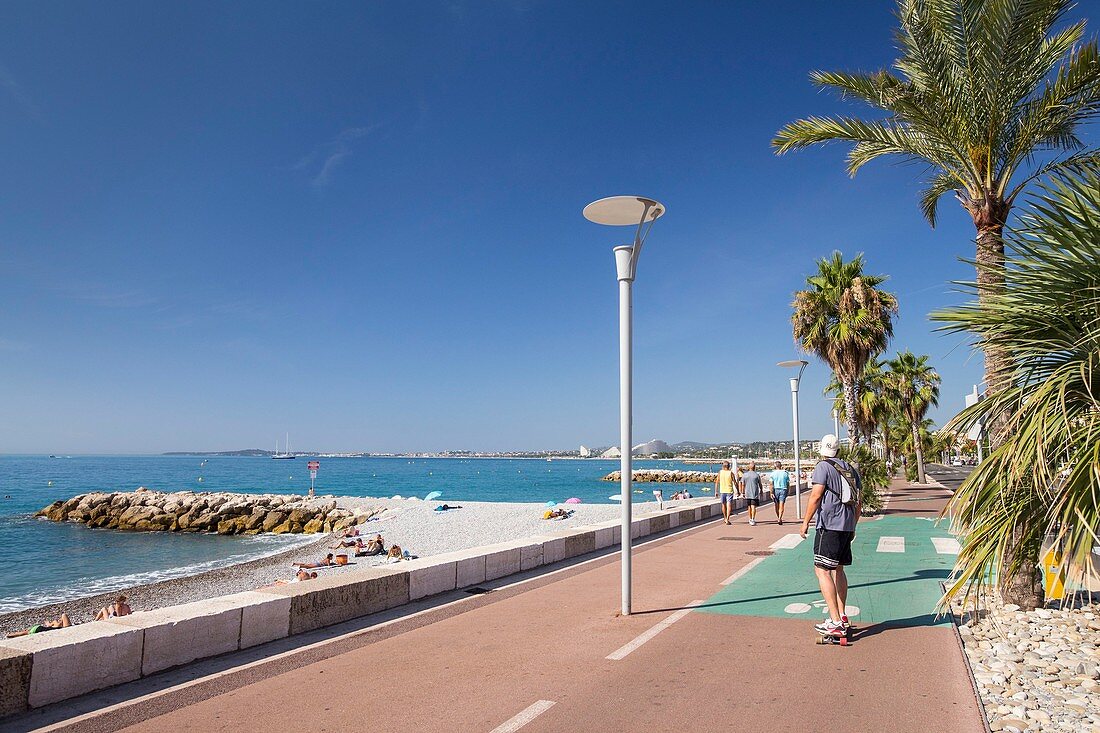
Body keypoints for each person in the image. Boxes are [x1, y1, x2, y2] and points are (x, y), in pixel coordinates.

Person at [800, 434, 861, 638]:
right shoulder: (850, 469)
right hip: (846, 525)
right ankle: (842, 615)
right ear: (839, 450)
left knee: (822, 569)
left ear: (821, 450)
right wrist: (853, 524)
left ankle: (835, 622)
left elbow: (816, 495)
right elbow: (858, 501)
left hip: (829, 525)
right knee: (839, 569)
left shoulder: (823, 467)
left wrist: (805, 522)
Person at [740, 461, 764, 526]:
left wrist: (742, 492)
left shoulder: (745, 475)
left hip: (747, 493)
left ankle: (750, 518)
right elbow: (760, 484)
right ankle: (753, 519)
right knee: (753, 507)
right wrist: (761, 490)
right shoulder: (757, 475)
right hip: (754, 494)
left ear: (749, 467)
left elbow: (742, 484)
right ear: (754, 468)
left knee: (749, 507)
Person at [7, 613, 71, 637]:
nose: (59, 620)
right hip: (38, 628)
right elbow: (63, 616)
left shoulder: (56, 625)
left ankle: (10, 635)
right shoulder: (57, 626)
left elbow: (63, 615)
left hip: (38, 628)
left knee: (24, 632)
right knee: (25, 632)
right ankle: (10, 635)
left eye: (60, 620)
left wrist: (49, 623)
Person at [714, 461, 737, 525]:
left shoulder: (720, 472)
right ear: (729, 466)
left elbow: (716, 482)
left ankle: (725, 518)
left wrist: (716, 491)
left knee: (723, 505)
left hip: (722, 491)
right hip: (729, 491)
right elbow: (735, 482)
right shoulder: (731, 473)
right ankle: (727, 519)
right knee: (729, 505)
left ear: (723, 466)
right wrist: (737, 490)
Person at [768, 461, 791, 525]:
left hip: (776, 490)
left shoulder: (773, 473)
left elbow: (771, 484)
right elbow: (788, 483)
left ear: (775, 466)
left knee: (776, 505)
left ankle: (778, 517)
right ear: (781, 466)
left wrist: (771, 492)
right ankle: (780, 518)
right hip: (783, 489)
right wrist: (788, 490)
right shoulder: (785, 473)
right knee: (782, 505)